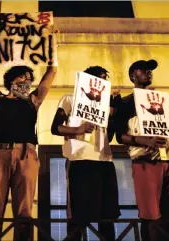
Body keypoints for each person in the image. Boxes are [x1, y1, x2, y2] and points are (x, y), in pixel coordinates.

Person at [0, 64, 57, 240]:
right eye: (22, 77)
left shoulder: (33, 100)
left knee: (24, 209)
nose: (26, 80)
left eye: (29, 78)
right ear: (11, 80)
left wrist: (53, 49)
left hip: (26, 153)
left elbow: (51, 73)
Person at [115, 59, 169, 241]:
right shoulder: (125, 102)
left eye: (150, 70)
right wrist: (145, 141)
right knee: (151, 213)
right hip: (145, 160)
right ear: (133, 76)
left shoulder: (162, 99)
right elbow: (120, 136)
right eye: (143, 69)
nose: (148, 72)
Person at [51, 66, 121, 241]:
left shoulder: (105, 104)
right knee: (79, 214)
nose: (101, 82)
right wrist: (78, 129)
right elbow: (55, 128)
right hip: (80, 159)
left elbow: (110, 135)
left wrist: (115, 108)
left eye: (105, 79)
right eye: (98, 78)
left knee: (107, 214)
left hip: (104, 160)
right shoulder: (69, 98)